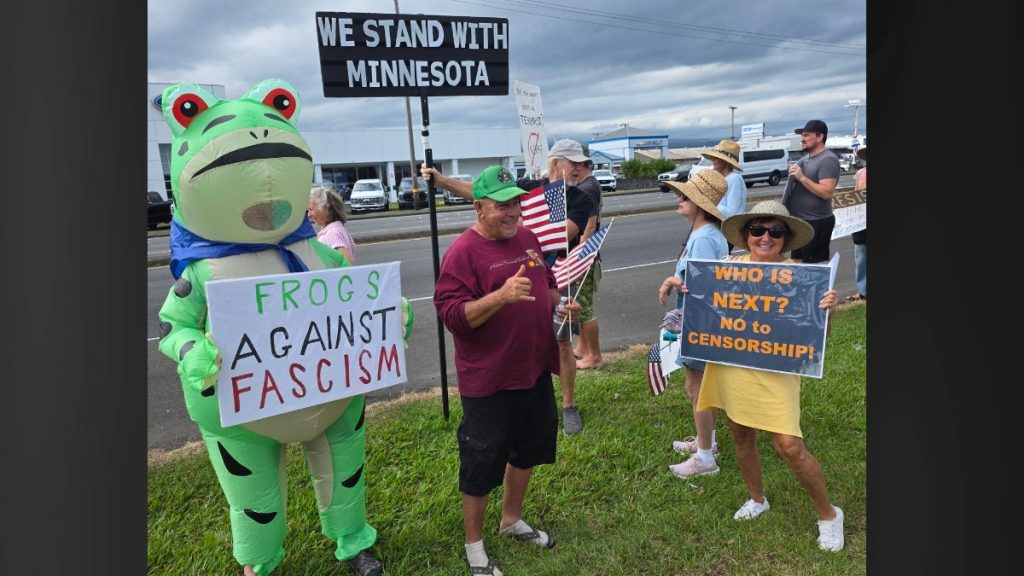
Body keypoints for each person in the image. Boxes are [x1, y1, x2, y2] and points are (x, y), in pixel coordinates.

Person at [434, 166, 579, 576]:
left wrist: (559, 304)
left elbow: (547, 284)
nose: (514, 211)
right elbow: (452, 316)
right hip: (490, 379)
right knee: (482, 462)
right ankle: (474, 545)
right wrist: (500, 296)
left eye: (516, 201)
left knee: (530, 447)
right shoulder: (463, 253)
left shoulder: (527, 238)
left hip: (533, 369)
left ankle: (511, 518)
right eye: (503, 205)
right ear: (479, 207)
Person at [690, 200, 844, 552]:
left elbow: (817, 336)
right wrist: (678, 282)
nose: (765, 237)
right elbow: (700, 298)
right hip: (731, 364)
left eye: (775, 231)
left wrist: (827, 311)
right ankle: (757, 498)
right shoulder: (726, 267)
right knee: (740, 435)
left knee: (788, 445)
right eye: (758, 229)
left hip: (776, 371)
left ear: (785, 238)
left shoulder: (801, 278)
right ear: (745, 236)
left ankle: (829, 514)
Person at [423, 140, 595, 436]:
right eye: (573, 162)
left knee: (563, 342)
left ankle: (568, 405)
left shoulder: (581, 196)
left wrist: (522, 227)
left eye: (582, 163)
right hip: (525, 268)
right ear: (556, 164)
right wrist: (441, 181)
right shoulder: (528, 189)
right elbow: (477, 193)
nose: (579, 168)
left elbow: (563, 234)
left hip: (561, 268)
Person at [658, 169, 730, 479]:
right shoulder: (708, 234)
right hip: (704, 317)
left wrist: (673, 279)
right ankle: (706, 442)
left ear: (699, 204)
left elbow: (703, 287)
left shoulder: (702, 239)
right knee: (699, 387)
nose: (678, 200)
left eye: (685, 196)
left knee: (695, 388)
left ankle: (704, 458)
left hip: (698, 319)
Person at [781, 119, 840, 263]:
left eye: (807, 135)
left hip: (816, 223)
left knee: (812, 272)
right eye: (802, 135)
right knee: (798, 266)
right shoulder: (806, 159)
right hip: (801, 223)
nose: (802, 139)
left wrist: (802, 178)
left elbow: (827, 192)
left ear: (820, 137)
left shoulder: (828, 159)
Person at [571, 158, 605, 371]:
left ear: (580, 165)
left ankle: (594, 355)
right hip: (588, 255)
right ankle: (583, 347)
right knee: (579, 302)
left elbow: (590, 226)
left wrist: (579, 257)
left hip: (585, 256)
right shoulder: (587, 185)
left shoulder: (588, 188)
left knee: (583, 307)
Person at [701, 139, 747, 253]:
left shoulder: (734, 179)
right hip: (720, 229)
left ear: (725, 161)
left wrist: (710, 201)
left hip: (727, 231)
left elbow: (732, 213)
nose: (713, 161)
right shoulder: (723, 179)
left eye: (716, 158)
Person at [308, 185, 357, 264]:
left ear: (324, 209)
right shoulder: (336, 229)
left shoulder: (333, 234)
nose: (309, 215)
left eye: (311, 209)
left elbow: (347, 264)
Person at [847, 146, 867, 301]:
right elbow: (854, 196)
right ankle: (863, 290)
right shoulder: (861, 174)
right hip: (861, 221)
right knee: (861, 256)